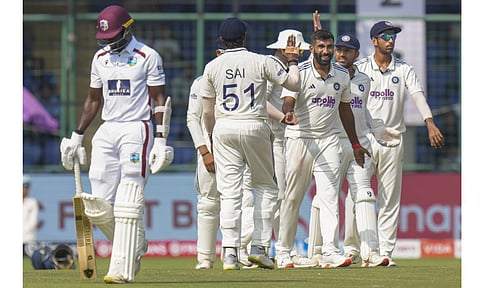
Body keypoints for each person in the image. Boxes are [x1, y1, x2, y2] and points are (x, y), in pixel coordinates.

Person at [59, 5, 173, 284]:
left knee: (129, 195)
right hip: (107, 129)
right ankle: (136, 243)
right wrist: (77, 135)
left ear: (128, 28)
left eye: (113, 36)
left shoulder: (147, 56)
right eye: (105, 37)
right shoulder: (100, 58)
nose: (109, 42)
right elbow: (93, 100)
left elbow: (159, 99)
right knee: (98, 205)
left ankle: (121, 269)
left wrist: (161, 138)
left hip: (137, 127)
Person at [200, 17, 301, 270]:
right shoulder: (261, 61)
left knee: (230, 193)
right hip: (254, 124)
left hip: (224, 128)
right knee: (267, 187)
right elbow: (293, 84)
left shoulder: (212, 66)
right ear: (245, 38)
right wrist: (292, 60)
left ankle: (230, 252)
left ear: (222, 40)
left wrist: (212, 136)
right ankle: (258, 246)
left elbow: (207, 112)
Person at [274, 29, 370, 269]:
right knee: (292, 197)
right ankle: (284, 252)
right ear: (312, 49)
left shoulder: (341, 75)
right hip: (299, 138)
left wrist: (356, 143)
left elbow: (345, 109)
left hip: (328, 142)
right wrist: (288, 112)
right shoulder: (300, 72)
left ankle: (329, 250)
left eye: (329, 47)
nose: (326, 52)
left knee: (328, 197)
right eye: (321, 47)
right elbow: (288, 98)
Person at [353, 21, 445, 266]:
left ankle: (384, 252)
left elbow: (418, 95)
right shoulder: (361, 68)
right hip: (366, 140)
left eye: (393, 35)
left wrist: (430, 122)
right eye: (385, 36)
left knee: (390, 200)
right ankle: (357, 250)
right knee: (360, 195)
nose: (390, 40)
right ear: (374, 40)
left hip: (393, 140)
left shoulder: (403, 69)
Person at [186, 40, 254, 269]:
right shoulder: (201, 82)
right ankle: (205, 258)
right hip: (210, 149)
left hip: (235, 148)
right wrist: (204, 151)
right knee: (208, 203)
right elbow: (192, 119)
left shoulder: (247, 78)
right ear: (218, 53)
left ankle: (237, 253)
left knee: (241, 200)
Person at [324, 33, 390, 267]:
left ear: (356, 55)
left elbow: (361, 111)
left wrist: (377, 129)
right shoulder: (327, 75)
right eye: (338, 50)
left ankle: (371, 253)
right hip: (331, 143)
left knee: (364, 194)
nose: (341, 54)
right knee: (326, 198)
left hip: (358, 144)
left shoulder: (364, 79)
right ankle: (320, 252)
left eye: (347, 50)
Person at [264, 29, 317, 269]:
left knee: (281, 197)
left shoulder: (286, 67)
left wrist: (318, 32)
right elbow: (259, 101)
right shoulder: (272, 67)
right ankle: (278, 250)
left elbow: (315, 65)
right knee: (279, 197)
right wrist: (282, 118)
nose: (299, 53)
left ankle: (278, 249)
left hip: (281, 139)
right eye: (296, 49)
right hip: (272, 139)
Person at [23, 174, 39, 257]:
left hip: (28, 241)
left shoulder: (32, 202)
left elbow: (33, 222)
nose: (23, 189)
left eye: (26, 187)